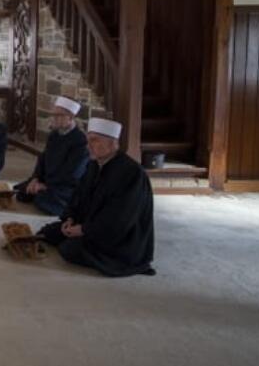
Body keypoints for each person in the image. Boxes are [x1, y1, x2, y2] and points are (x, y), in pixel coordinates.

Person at [37, 118, 156, 277]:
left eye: (94, 141)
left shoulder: (131, 173)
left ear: (113, 143)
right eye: (88, 141)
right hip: (90, 225)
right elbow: (79, 196)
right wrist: (70, 219)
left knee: (69, 249)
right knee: (48, 232)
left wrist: (84, 229)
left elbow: (121, 218)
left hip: (119, 239)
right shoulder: (94, 164)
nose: (88, 146)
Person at [14, 96, 89, 216]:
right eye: (54, 114)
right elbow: (43, 159)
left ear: (70, 117)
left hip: (65, 185)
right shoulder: (54, 135)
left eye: (59, 115)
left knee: (44, 201)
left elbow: (73, 173)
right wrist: (36, 178)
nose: (54, 118)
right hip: (48, 179)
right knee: (21, 192)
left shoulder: (80, 141)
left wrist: (45, 186)